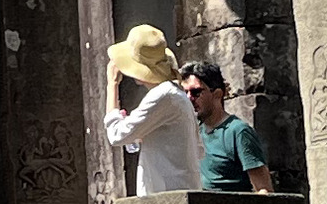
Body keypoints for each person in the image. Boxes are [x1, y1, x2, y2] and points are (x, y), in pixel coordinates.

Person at [104, 24, 202, 193]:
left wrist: (112, 85)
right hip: (176, 193)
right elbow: (199, 150)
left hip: (167, 198)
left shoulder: (163, 95)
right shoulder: (173, 93)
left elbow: (116, 135)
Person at [188, 66, 277, 193]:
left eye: (196, 92)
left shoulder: (239, 132)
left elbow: (264, 190)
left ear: (217, 94)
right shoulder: (196, 132)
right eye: (185, 92)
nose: (189, 98)